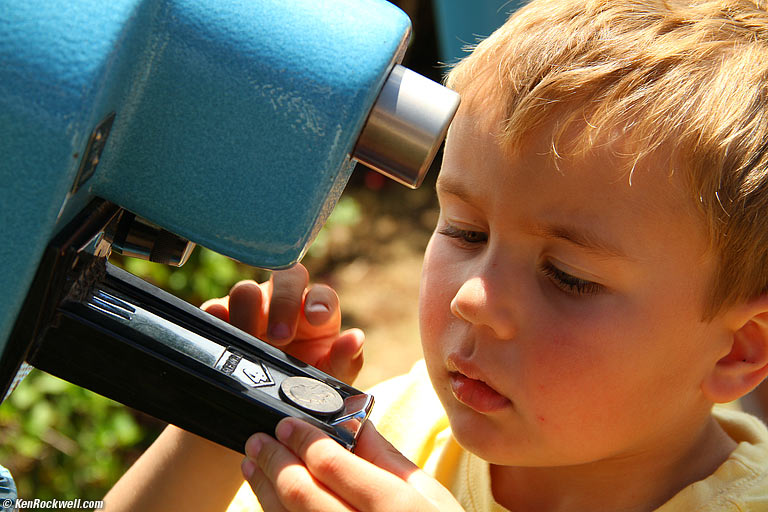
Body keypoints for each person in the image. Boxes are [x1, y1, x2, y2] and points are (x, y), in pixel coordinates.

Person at [104, 0, 768, 510]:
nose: (472, 297)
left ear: (737, 349)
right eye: (466, 232)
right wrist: (223, 426)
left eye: (569, 278)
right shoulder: (400, 424)